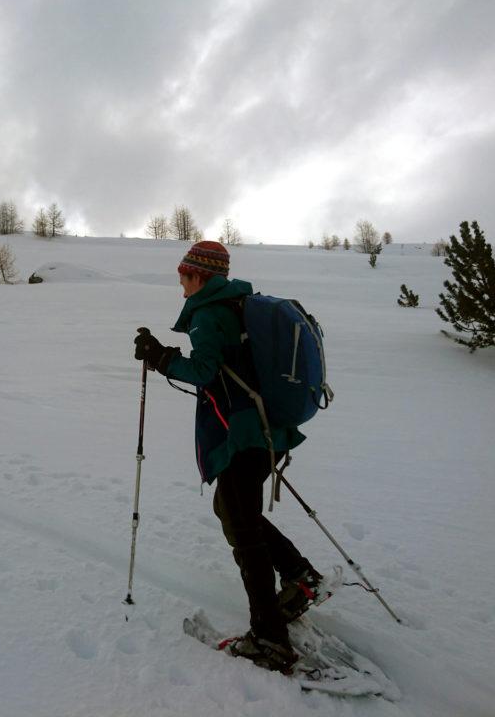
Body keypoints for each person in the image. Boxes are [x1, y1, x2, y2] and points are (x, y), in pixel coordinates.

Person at [134, 240, 321, 673]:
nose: (181, 286)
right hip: (265, 430)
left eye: (184, 277)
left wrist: (161, 358)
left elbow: (204, 371)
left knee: (242, 527)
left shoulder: (208, 313)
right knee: (233, 510)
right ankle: (301, 578)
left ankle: (270, 639)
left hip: (242, 435)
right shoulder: (239, 303)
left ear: (199, 276)